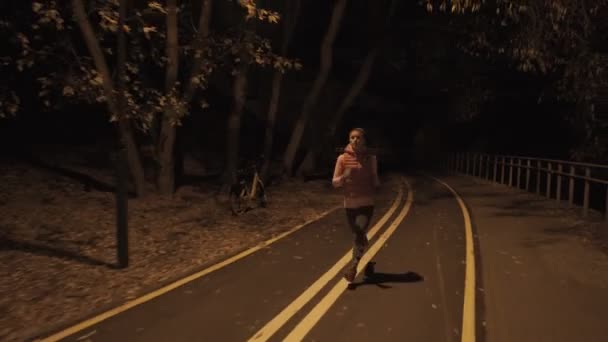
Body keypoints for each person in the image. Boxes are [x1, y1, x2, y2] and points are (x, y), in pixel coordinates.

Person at [332, 127, 381, 282]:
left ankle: (353, 268)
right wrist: (344, 177)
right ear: (349, 139)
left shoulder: (371, 159)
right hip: (350, 204)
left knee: (358, 233)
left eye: (358, 137)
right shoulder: (342, 159)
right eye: (352, 137)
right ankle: (365, 252)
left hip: (366, 203)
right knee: (359, 235)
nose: (355, 140)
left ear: (363, 140)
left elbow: (375, 177)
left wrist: (377, 185)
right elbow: (334, 183)